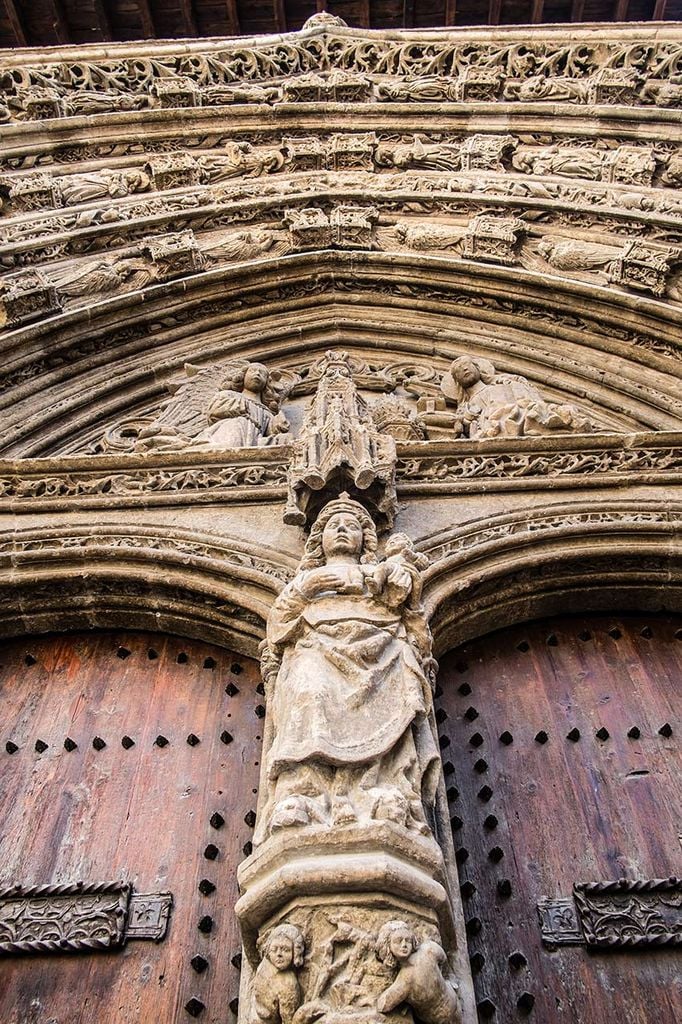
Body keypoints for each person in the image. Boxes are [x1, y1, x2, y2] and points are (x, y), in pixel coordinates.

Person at [256, 494, 439, 843]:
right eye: (334, 526)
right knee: (309, 693)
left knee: (398, 691)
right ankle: (304, 793)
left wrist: (399, 573)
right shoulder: (306, 580)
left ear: (365, 539)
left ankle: (382, 790)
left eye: (352, 526)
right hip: (317, 650)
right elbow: (279, 626)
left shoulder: (376, 570)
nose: (343, 530)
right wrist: (304, 591)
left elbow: (403, 606)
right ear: (319, 539)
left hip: (380, 651)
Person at [375, 921, 462, 1024]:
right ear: (388, 946)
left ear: (413, 941)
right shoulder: (429, 948)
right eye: (398, 941)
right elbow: (443, 959)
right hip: (448, 1007)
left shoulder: (406, 979)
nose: (404, 945)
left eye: (407, 940)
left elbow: (383, 1005)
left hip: (442, 1013)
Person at [254, 924, 305, 1024]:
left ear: (295, 953)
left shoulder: (289, 983)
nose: (279, 954)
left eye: (286, 950)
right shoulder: (263, 967)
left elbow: (287, 1019)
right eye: (274, 949)